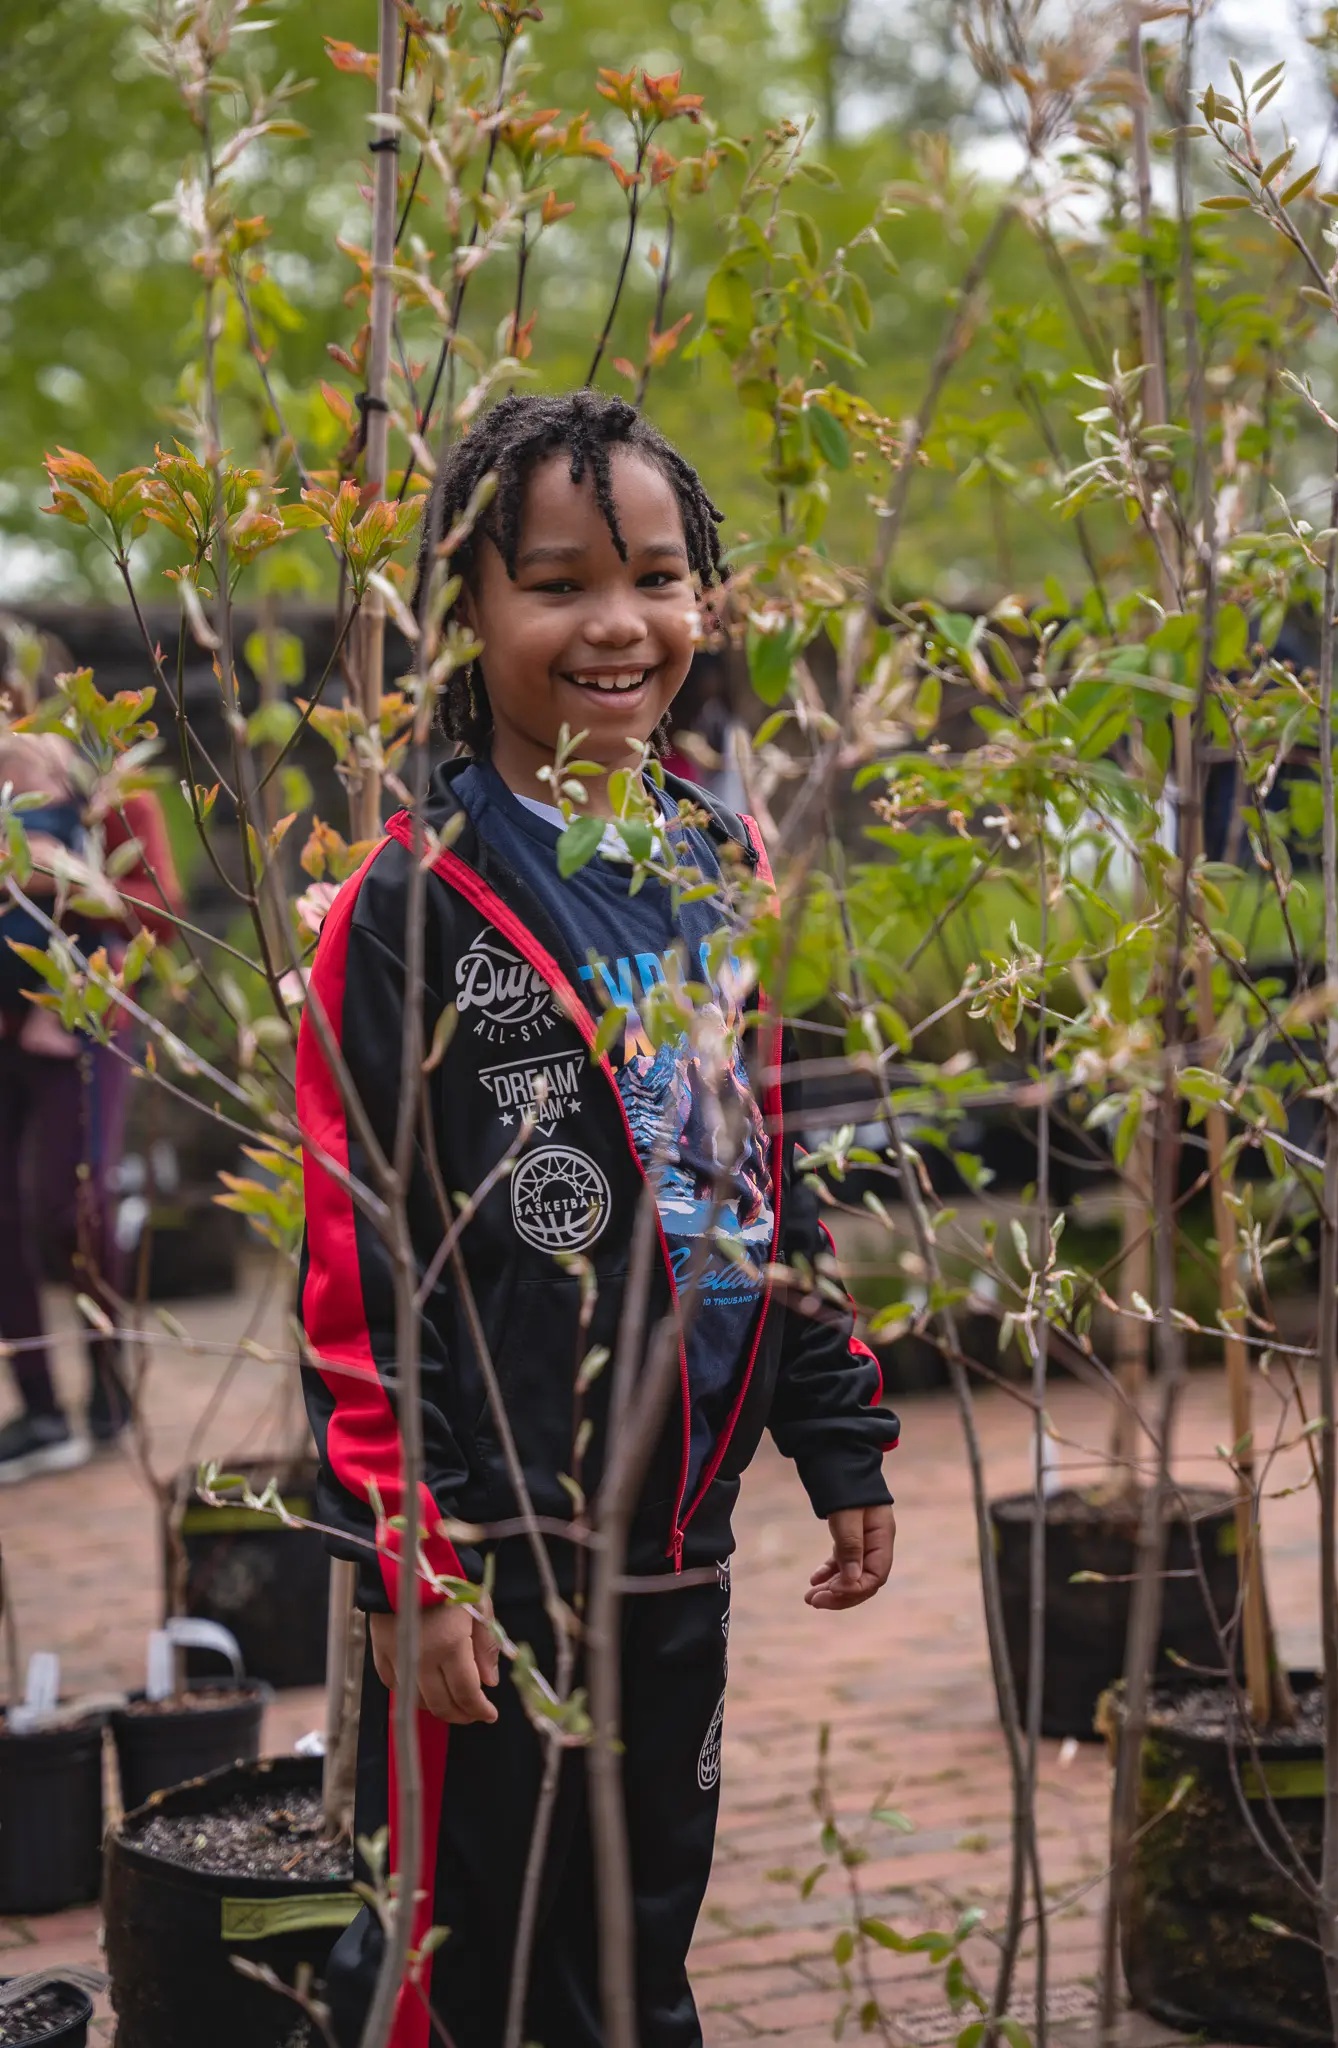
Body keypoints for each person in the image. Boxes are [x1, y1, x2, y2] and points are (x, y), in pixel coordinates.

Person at [297, 390, 899, 2048]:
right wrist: (413, 1560)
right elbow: (359, 1268)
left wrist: (837, 1429)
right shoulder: (413, 904)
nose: (616, 621)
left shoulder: (717, 860)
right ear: (467, 610)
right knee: (479, 1954)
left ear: (706, 595)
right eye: (557, 581)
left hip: (677, 1536)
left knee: (640, 1936)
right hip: (497, 1560)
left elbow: (753, 1172)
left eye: (655, 573)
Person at [0, 617, 184, 1482]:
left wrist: (65, 878)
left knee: (70, 1206)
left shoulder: (108, 795)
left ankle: (110, 1391)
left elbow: (161, 910)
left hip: (75, 1024)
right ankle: (38, 1410)